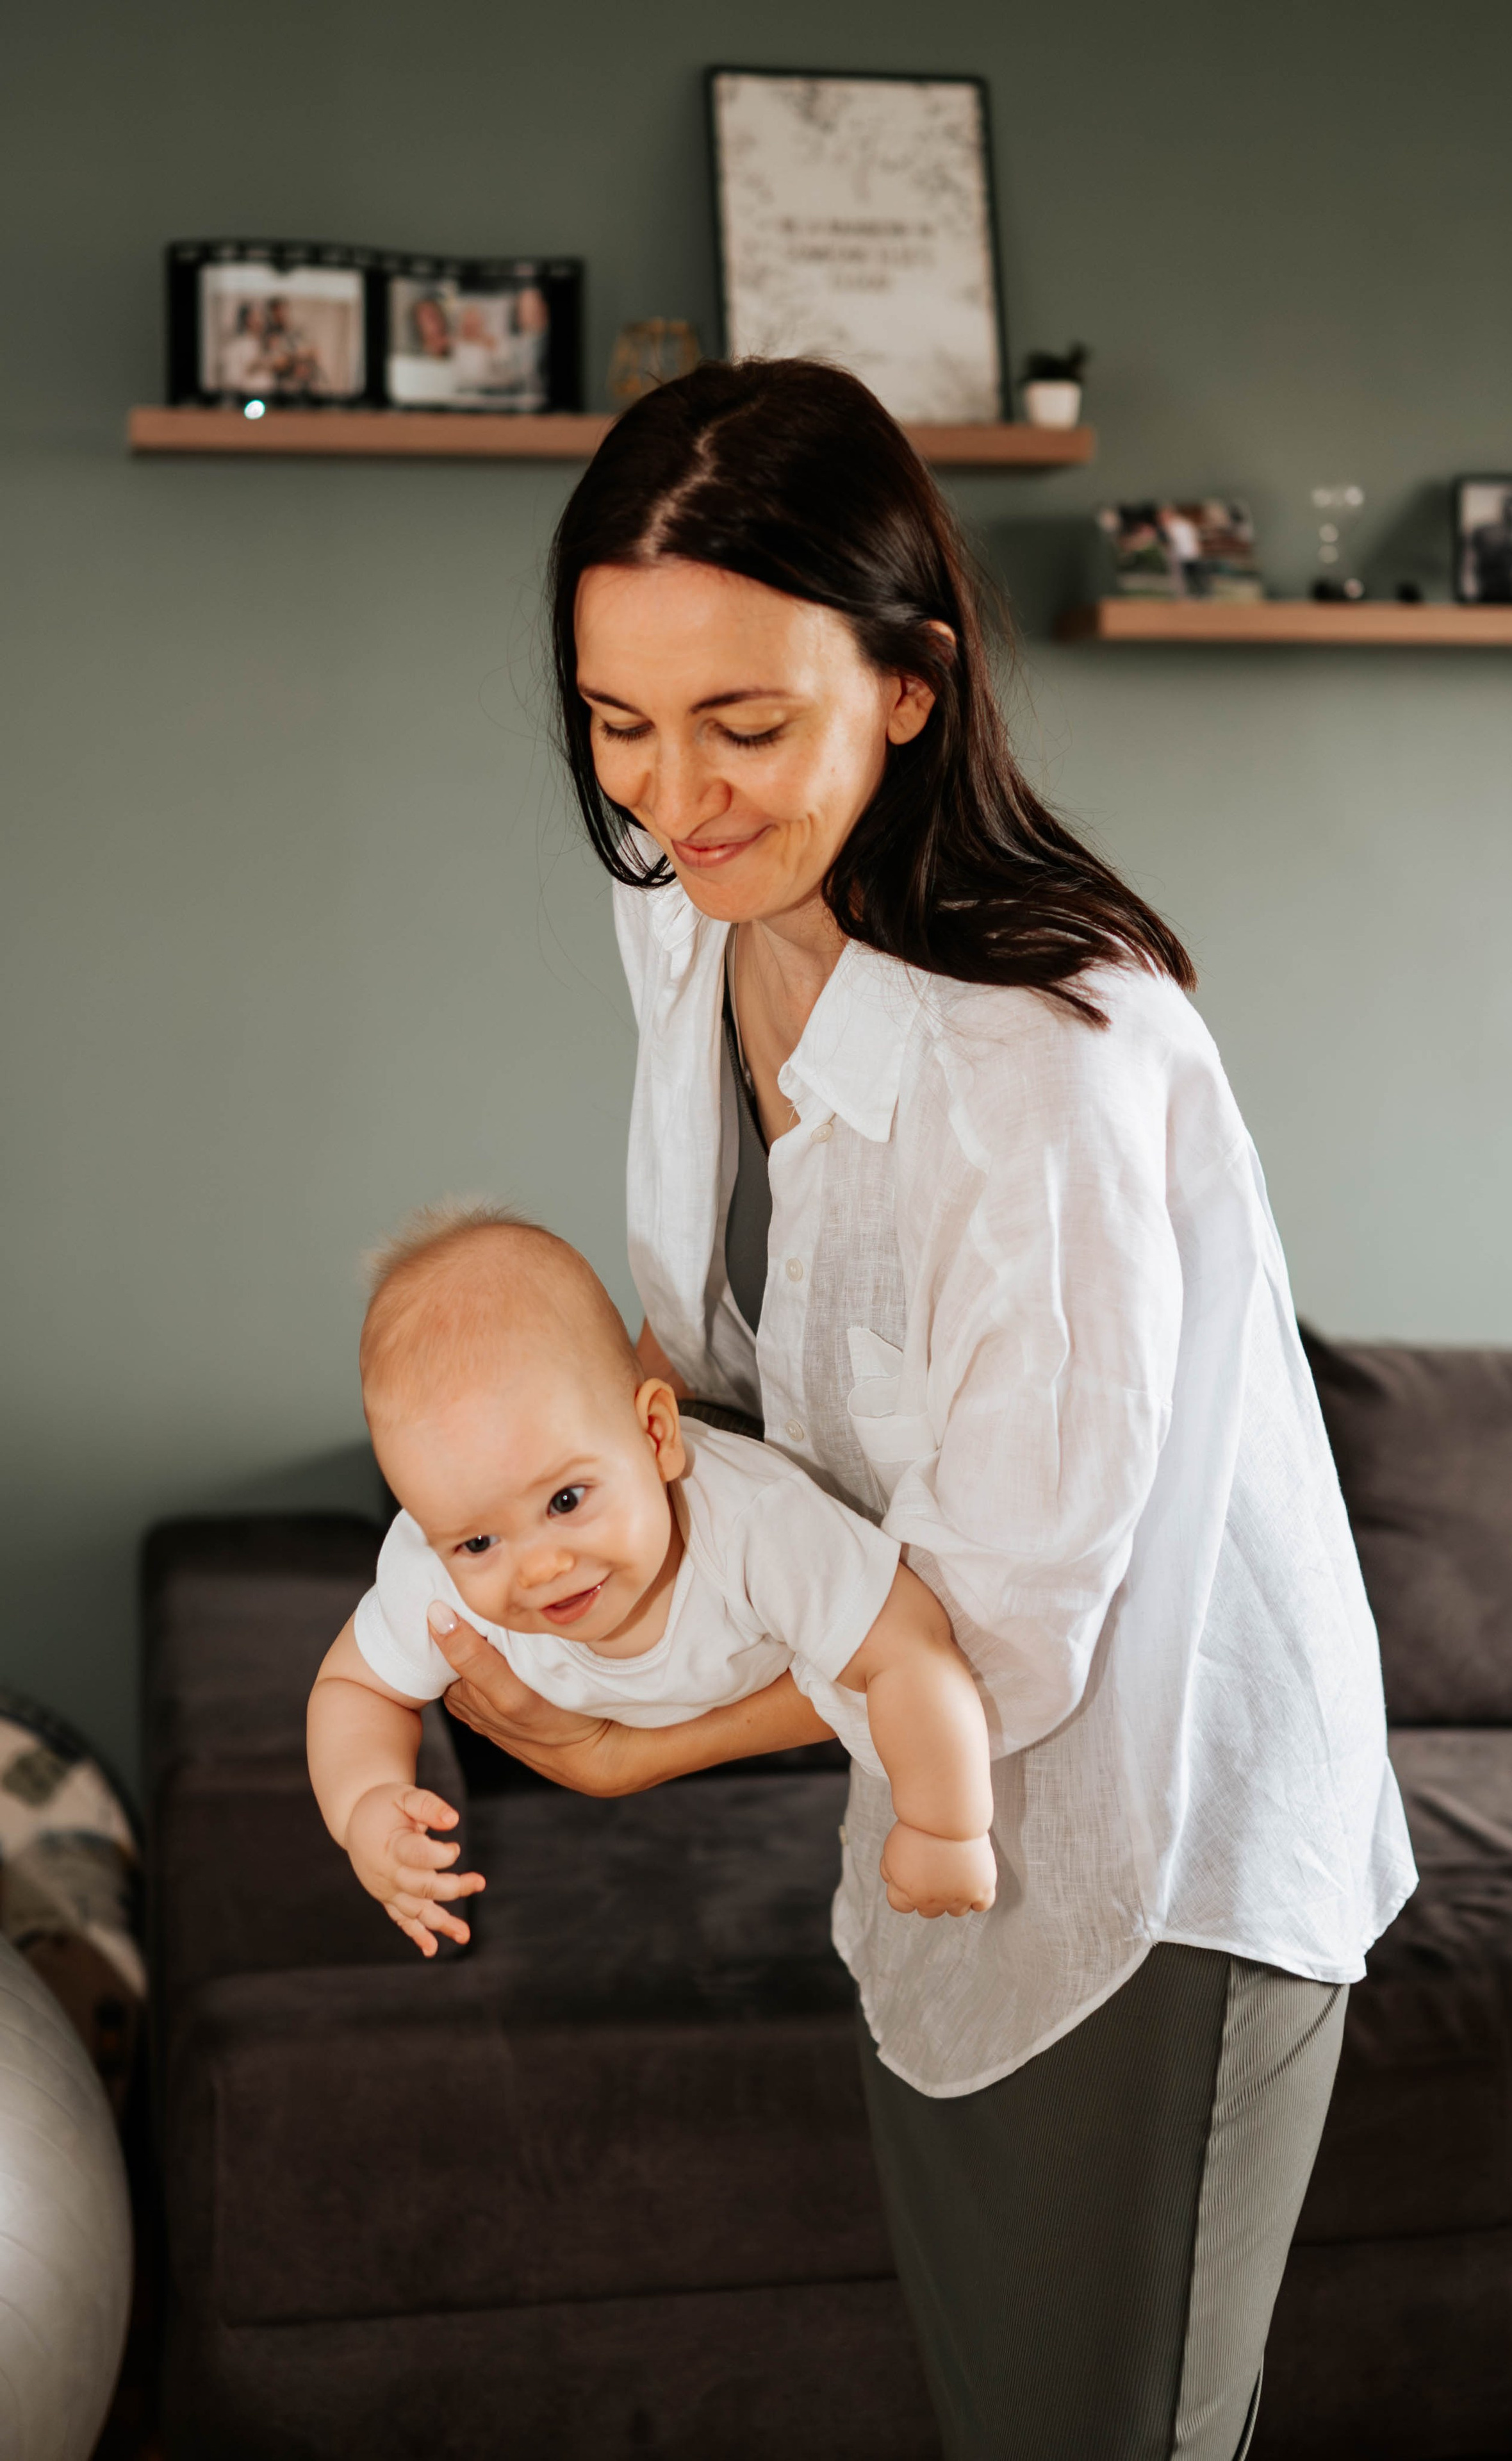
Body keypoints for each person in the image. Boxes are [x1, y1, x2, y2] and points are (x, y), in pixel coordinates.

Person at [425, 358, 1417, 2460]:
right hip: (944, 1815)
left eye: (743, 725)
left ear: (908, 686)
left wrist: (642, 1749)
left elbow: (1011, 1626)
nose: (673, 794)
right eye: (618, 722)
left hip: (1159, 1841)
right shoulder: (688, 925)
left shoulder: (1050, 1064)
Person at [308, 1206, 996, 1957]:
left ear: (657, 1438)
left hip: (746, 1483)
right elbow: (354, 1690)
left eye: (566, 1501)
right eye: (477, 1541)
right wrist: (364, 1809)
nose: (539, 1569)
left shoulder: (758, 1526)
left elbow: (910, 1647)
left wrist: (942, 1823)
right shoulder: (433, 1572)